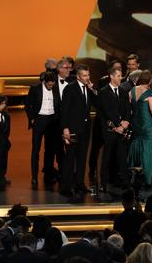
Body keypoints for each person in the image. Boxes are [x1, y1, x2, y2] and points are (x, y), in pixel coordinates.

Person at [60, 65, 97, 202]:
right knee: (70, 158)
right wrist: (65, 128)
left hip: (85, 129)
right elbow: (64, 110)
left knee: (82, 157)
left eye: (88, 75)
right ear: (78, 76)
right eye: (85, 76)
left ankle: (79, 183)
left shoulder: (88, 88)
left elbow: (97, 102)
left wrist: (92, 89)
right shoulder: (70, 88)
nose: (88, 78)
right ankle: (66, 187)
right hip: (72, 129)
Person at [127, 70, 152, 185]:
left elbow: (130, 107)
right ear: (150, 81)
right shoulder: (149, 93)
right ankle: (149, 179)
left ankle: (135, 178)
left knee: (137, 146)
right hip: (146, 124)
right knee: (148, 149)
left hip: (136, 123)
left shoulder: (132, 90)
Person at [25, 71, 61, 187]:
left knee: (50, 149)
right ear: (44, 82)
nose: (51, 87)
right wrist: (32, 119)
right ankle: (34, 176)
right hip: (39, 120)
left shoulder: (55, 88)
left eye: (53, 85)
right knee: (36, 149)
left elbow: (58, 104)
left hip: (52, 121)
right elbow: (28, 105)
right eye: (49, 85)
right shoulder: (35, 88)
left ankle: (48, 173)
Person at [99, 66, 132, 193]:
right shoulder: (103, 92)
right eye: (118, 76)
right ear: (111, 76)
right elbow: (107, 111)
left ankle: (125, 182)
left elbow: (128, 110)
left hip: (122, 130)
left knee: (122, 157)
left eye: (121, 76)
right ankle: (103, 183)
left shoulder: (123, 92)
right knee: (107, 158)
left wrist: (125, 123)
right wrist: (118, 124)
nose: (121, 78)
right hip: (110, 131)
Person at [113, 190, 147, 255]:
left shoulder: (118, 218)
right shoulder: (141, 215)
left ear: (122, 202)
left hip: (125, 249)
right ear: (133, 201)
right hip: (138, 248)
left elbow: (116, 236)